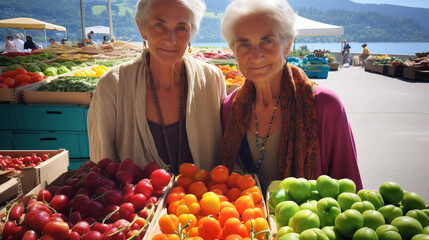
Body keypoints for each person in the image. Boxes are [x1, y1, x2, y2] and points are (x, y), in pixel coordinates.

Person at [220, 0, 362, 190]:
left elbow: (350, 190)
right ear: (233, 50)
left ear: (287, 44)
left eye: (267, 41)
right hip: (246, 219)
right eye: (244, 44)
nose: (256, 55)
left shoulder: (325, 106)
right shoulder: (230, 107)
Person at [87, 0, 227, 174]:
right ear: (142, 28)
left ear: (191, 32)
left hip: (202, 200)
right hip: (140, 201)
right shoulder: (112, 86)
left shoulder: (212, 80)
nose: (171, 38)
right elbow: (102, 167)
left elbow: (225, 156)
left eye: (181, 27)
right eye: (159, 25)